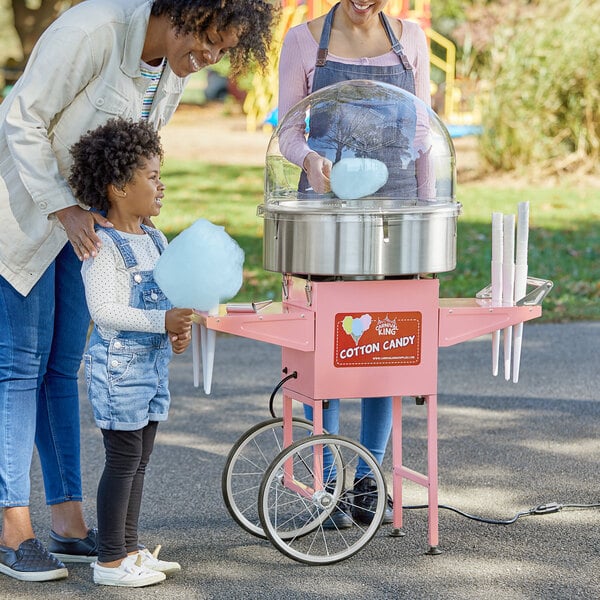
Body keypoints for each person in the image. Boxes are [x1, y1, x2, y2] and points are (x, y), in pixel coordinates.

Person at [0, 0, 277, 583]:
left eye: (224, 50)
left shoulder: (170, 70)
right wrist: (63, 206)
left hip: (91, 232)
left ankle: (70, 524)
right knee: (21, 368)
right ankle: (12, 530)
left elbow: (133, 154)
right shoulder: (92, 31)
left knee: (60, 369)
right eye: (208, 40)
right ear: (186, 10)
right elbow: (21, 117)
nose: (209, 58)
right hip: (27, 214)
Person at [277, 0, 432, 528]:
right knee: (327, 350)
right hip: (325, 212)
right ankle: (325, 482)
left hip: (396, 213)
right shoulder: (303, 41)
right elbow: (289, 131)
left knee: (384, 347)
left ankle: (367, 482)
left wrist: (426, 218)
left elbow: (422, 133)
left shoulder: (410, 38)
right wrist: (311, 162)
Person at [68, 117, 192, 587]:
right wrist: (162, 321)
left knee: (139, 460)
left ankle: (131, 547)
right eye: (153, 177)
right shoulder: (104, 248)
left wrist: (175, 332)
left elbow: (168, 301)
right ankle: (110, 561)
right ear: (119, 186)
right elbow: (104, 311)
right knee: (122, 461)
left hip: (152, 368)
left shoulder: (155, 239)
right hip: (119, 371)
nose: (161, 185)